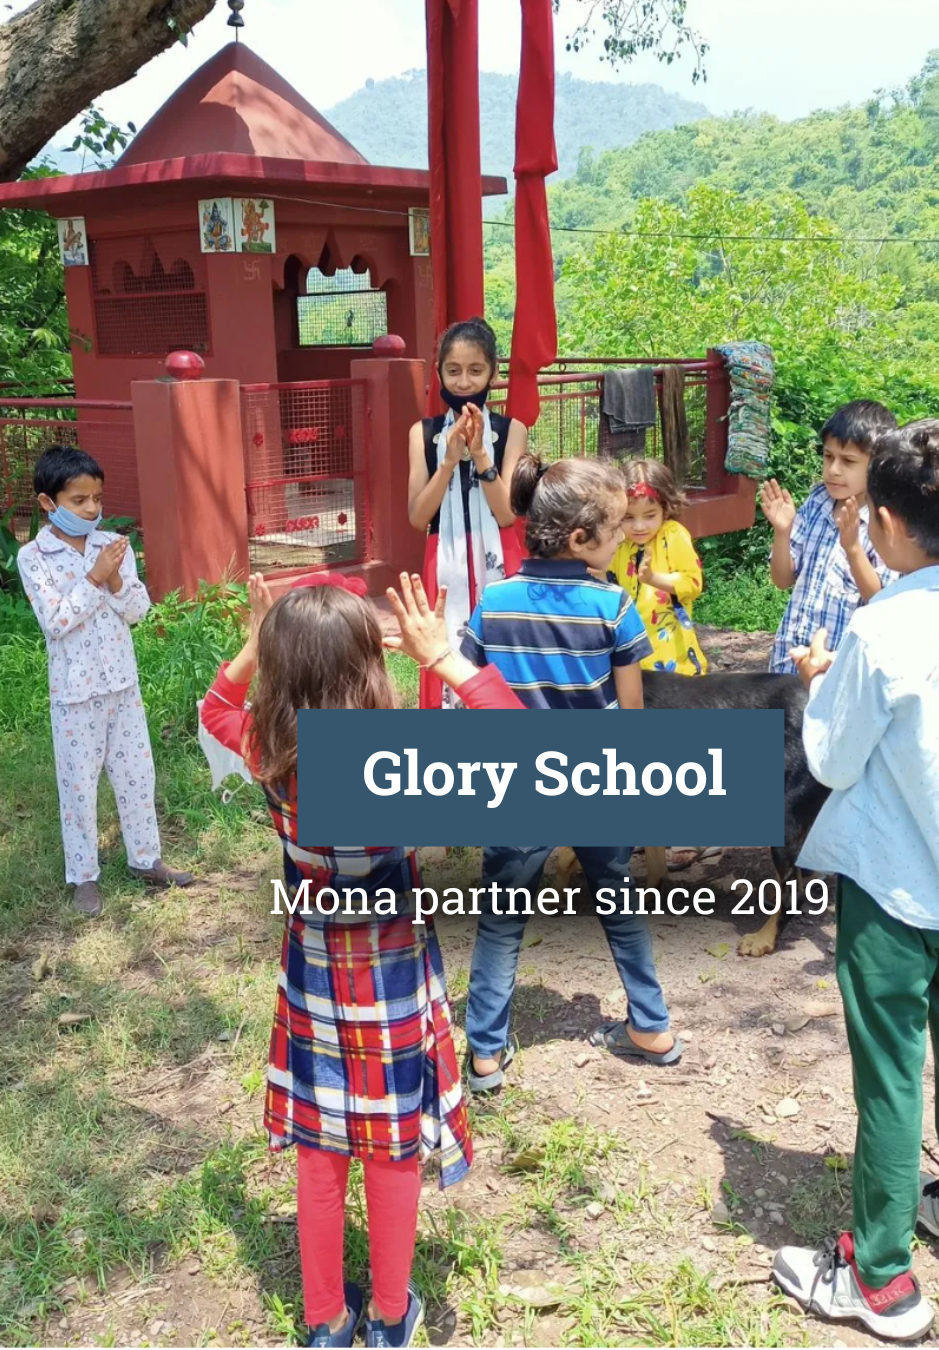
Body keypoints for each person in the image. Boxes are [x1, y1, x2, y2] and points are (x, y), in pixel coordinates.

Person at [770, 421, 939, 1342]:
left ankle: (879, 1276)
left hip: (890, 885)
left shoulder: (878, 629)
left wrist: (820, 676)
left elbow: (834, 760)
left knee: (889, 1071)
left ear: (884, 522)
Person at [199, 570, 524, 1348]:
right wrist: (442, 658)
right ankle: (388, 1313)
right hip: (389, 977)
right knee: (386, 1144)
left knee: (321, 1148)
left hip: (312, 971)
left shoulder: (266, 747)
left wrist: (253, 647)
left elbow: (214, 707)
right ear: (364, 670)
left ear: (280, 670)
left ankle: (323, 1319)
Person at [458, 455, 683, 1092]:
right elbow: (631, 710)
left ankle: (484, 1054)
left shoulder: (494, 600)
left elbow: (471, 688)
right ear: (581, 538)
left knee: (501, 920)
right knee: (619, 905)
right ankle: (652, 1025)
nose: (622, 543)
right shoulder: (612, 605)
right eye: (615, 532)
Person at [17, 445, 194, 918]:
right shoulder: (33, 557)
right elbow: (55, 621)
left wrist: (116, 581)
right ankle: (84, 876)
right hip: (75, 694)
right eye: (79, 500)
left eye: (96, 498)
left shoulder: (112, 546)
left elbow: (138, 611)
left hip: (122, 685)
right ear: (48, 503)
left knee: (138, 776)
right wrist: (95, 580)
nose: (91, 509)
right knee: (78, 785)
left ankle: (145, 859)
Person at [407, 317, 526, 709]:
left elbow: (507, 514)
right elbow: (418, 517)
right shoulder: (422, 434)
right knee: (445, 648)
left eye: (475, 371)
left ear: (493, 372)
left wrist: (479, 456)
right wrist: (448, 462)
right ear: (438, 371)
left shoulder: (512, 431)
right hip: (443, 556)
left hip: (499, 552)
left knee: (505, 646)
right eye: (453, 371)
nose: (463, 383)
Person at [761, 400, 899, 675]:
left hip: (838, 671)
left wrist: (852, 548)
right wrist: (782, 531)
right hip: (789, 660)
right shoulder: (817, 502)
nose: (833, 469)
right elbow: (782, 579)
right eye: (828, 456)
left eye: (848, 461)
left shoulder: (882, 521)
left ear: (878, 466)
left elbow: (881, 601)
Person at [606, 459, 708, 677]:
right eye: (628, 517)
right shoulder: (619, 543)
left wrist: (653, 578)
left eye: (650, 515)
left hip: (673, 655)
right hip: (632, 652)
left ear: (666, 508)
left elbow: (693, 584)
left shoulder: (673, 535)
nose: (639, 526)